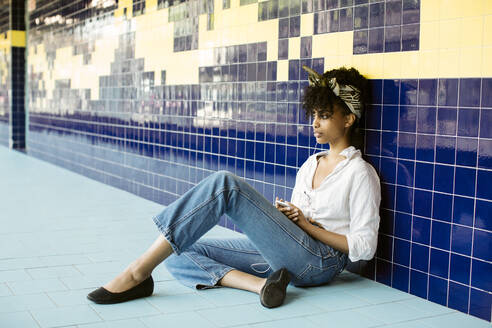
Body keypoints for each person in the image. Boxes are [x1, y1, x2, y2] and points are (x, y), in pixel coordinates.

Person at [87, 66, 381, 308]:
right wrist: (287, 219)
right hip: (292, 256)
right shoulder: (310, 164)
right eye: (313, 115)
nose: (315, 123)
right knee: (178, 251)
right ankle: (262, 286)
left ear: (349, 119)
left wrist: (307, 225)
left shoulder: (360, 173)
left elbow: (364, 248)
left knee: (225, 185)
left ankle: (138, 271)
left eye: (325, 116)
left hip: (322, 264)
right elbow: (298, 225)